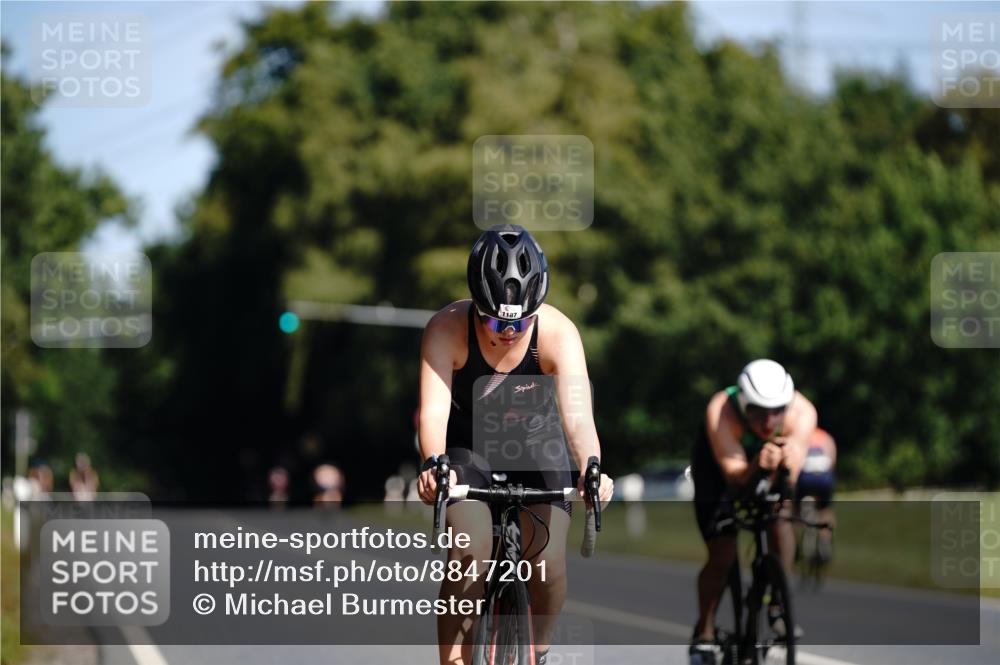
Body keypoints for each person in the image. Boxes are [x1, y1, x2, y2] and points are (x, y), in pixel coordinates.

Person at [416, 224, 613, 665]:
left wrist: (592, 466)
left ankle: (537, 650)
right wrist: (434, 464)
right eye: (493, 320)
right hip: (468, 449)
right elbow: (432, 413)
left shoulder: (559, 334)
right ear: (475, 304)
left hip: (537, 446)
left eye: (521, 322)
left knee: (548, 562)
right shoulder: (446, 328)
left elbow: (578, 418)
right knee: (469, 552)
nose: (507, 332)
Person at [688, 359, 816, 665]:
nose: (769, 420)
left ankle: (776, 604)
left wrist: (784, 463)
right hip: (719, 469)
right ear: (744, 401)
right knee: (722, 552)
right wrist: (758, 463)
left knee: (779, 517)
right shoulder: (721, 409)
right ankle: (704, 631)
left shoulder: (803, 412)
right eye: (758, 410)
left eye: (777, 410)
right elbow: (734, 475)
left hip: (766, 462)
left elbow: (792, 474)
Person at [795, 426, 836, 563]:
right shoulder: (825, 437)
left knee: (794, 509)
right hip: (824, 477)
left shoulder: (800, 434)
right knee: (825, 510)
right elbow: (832, 461)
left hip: (805, 477)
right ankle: (825, 543)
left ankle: (797, 544)